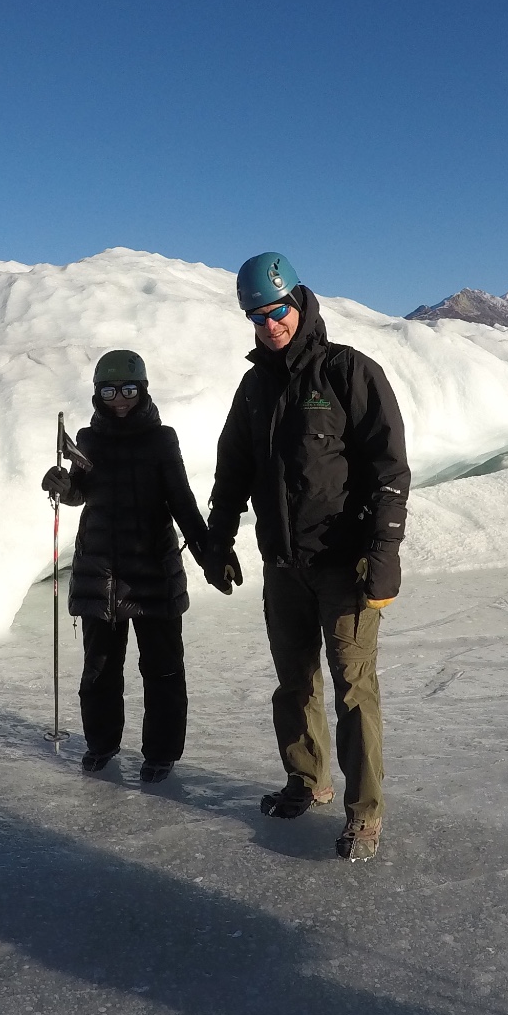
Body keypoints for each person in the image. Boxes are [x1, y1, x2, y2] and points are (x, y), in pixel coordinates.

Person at [203, 253, 410, 863]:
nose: (271, 325)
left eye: (278, 310)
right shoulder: (254, 386)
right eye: (257, 315)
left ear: (299, 300)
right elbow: (233, 469)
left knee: (352, 692)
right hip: (283, 566)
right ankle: (305, 780)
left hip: (345, 566)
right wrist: (218, 541)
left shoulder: (348, 371)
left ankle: (364, 814)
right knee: (293, 683)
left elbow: (389, 470)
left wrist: (385, 553)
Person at [42, 350, 215, 782]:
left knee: (162, 669)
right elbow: (79, 493)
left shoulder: (162, 439)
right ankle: (101, 744)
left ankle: (161, 752)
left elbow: (183, 504)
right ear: (98, 394)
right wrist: (60, 484)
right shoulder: (88, 438)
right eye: (110, 390)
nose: (119, 399)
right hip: (99, 571)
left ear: (143, 391)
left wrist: (210, 553)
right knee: (99, 669)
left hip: (153, 574)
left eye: (129, 390)